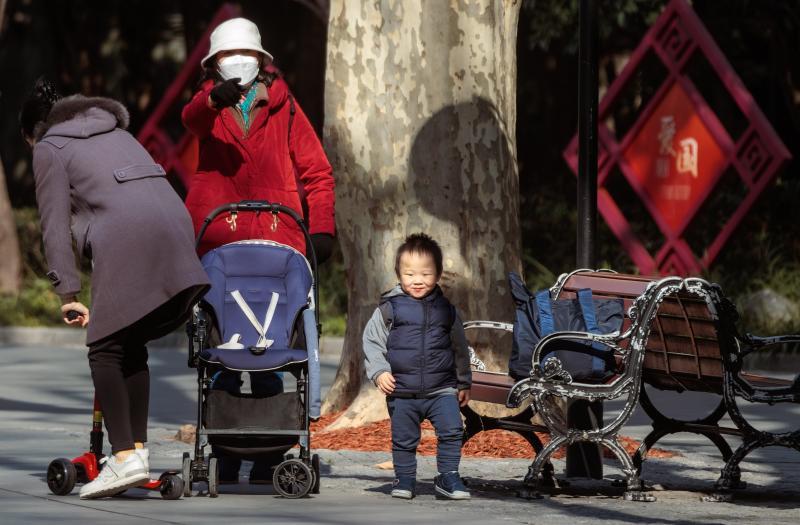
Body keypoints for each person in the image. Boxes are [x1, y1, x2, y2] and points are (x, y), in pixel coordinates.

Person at [20, 78, 210, 499]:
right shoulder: (116, 131)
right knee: (131, 341)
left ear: (33, 133)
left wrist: (67, 293)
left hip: (129, 237)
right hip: (176, 229)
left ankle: (123, 456)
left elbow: (53, 227)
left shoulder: (50, 147)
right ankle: (136, 451)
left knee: (103, 348)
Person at [181, 17, 336, 484]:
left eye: (245, 54)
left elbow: (318, 172)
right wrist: (213, 99)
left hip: (276, 237)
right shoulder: (207, 102)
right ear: (213, 63)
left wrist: (321, 229)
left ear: (263, 61)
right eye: (227, 56)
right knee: (224, 346)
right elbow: (190, 120)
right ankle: (226, 447)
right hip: (220, 238)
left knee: (271, 345)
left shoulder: (285, 106)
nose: (238, 62)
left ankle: (270, 449)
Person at [362, 233, 472, 500]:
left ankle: (448, 476)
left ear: (438, 274)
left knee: (452, 431)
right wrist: (379, 372)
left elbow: (459, 346)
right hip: (403, 390)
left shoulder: (447, 309)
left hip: (441, 388)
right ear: (399, 274)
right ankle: (405, 479)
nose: (418, 280)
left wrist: (464, 381)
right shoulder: (390, 308)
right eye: (409, 274)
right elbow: (372, 341)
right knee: (404, 439)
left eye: (425, 273)